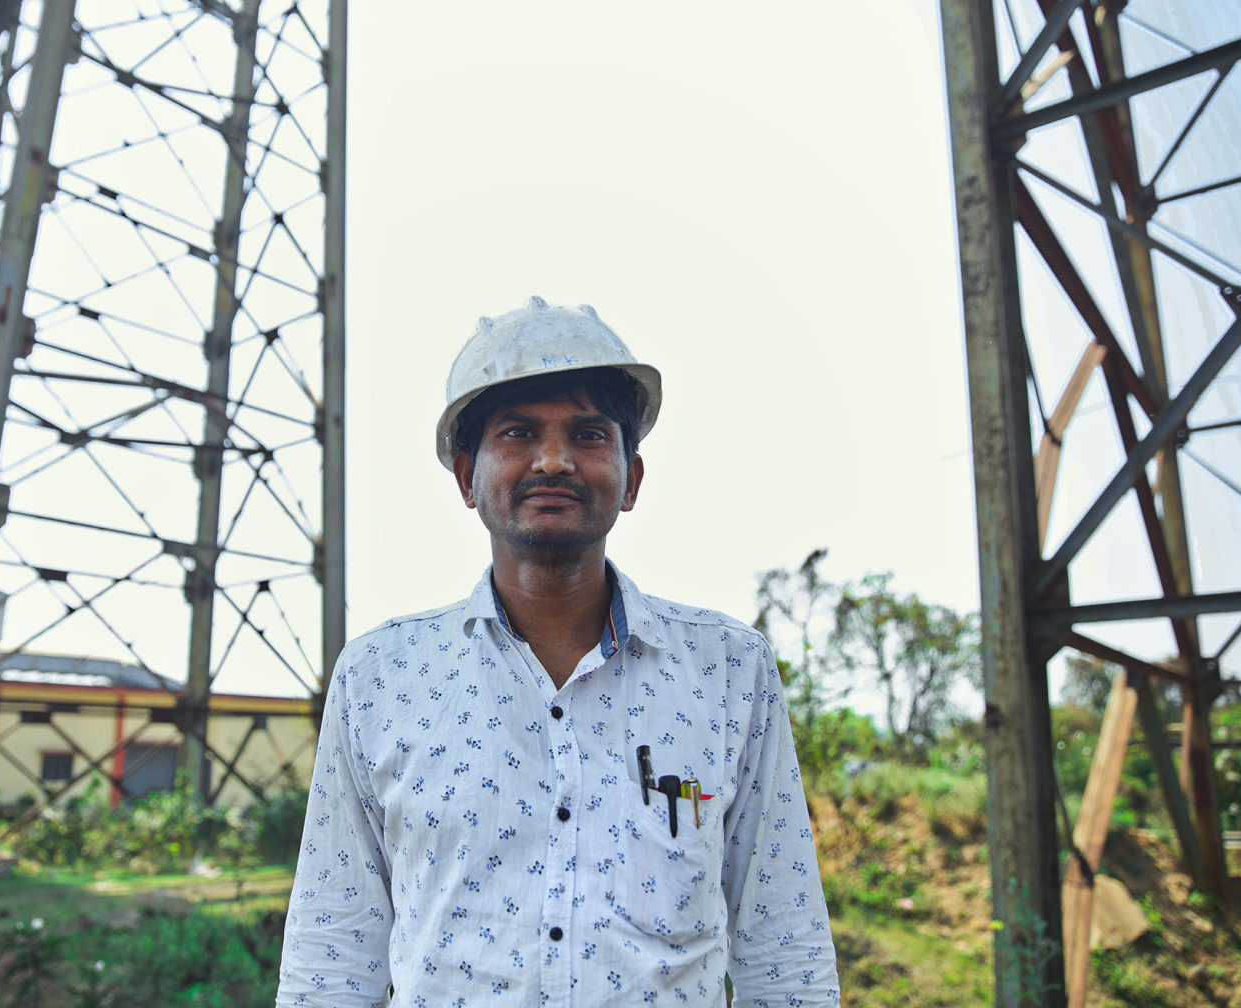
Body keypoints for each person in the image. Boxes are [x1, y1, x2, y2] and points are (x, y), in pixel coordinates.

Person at [276, 296, 839, 1007]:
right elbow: (332, 951)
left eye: (589, 434)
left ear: (631, 479)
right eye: (517, 433)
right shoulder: (380, 678)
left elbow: (783, 943)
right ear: (466, 477)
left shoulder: (728, 669)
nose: (553, 460)